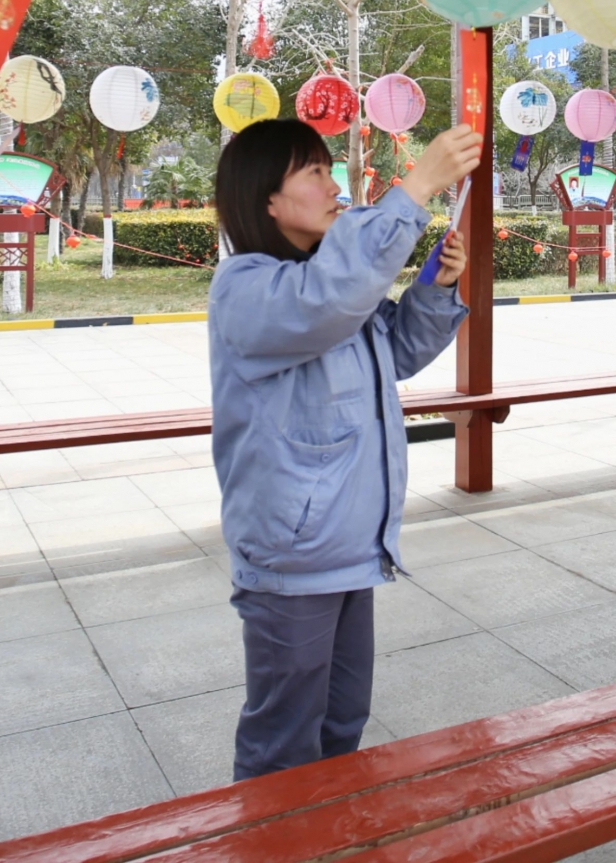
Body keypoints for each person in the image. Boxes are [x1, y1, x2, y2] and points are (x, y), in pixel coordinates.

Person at [208, 118, 480, 782]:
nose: (336, 187)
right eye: (315, 172)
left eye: (332, 171)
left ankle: (327, 830)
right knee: (283, 742)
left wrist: (434, 289)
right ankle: (270, 836)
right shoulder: (247, 287)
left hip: (350, 547)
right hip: (293, 556)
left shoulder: (327, 282)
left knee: (341, 721)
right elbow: (326, 302)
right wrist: (415, 188)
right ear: (268, 199)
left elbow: (397, 350)